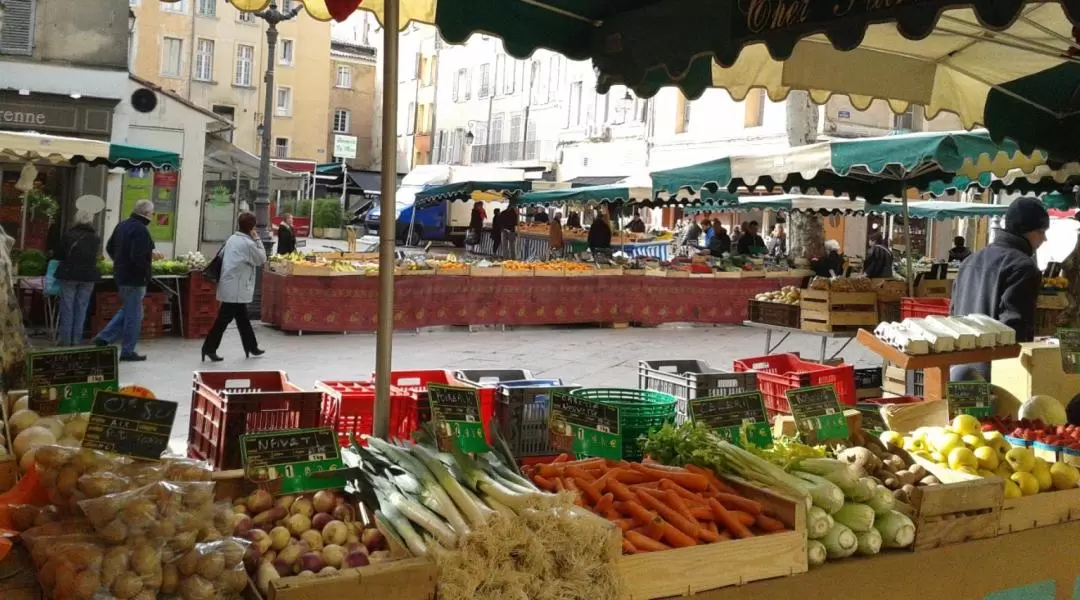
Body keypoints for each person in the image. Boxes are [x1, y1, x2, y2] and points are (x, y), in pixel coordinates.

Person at [950, 197, 1047, 381]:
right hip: (996, 374)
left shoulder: (971, 260)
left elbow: (953, 312)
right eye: (1041, 231)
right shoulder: (1023, 267)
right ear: (1029, 231)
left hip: (959, 368)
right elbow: (1015, 329)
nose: (1044, 238)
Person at [93, 200, 155, 362]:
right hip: (135, 278)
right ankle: (127, 350)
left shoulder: (122, 225)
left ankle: (104, 337)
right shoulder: (140, 230)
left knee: (131, 310)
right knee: (133, 316)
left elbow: (109, 246)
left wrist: (119, 262)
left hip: (121, 275)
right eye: (152, 213)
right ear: (147, 213)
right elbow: (138, 256)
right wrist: (146, 272)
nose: (153, 216)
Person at [201, 211, 268, 362]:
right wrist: (258, 239)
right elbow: (262, 258)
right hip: (236, 287)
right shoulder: (248, 243)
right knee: (223, 320)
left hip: (230, 284)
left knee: (242, 318)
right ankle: (209, 347)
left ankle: (251, 346)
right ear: (252, 227)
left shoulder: (232, 238)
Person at [54, 211, 101, 346]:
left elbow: (59, 255)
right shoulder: (95, 238)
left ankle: (66, 340)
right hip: (88, 276)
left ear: (76, 220)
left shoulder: (68, 235)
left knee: (67, 307)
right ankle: (76, 340)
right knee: (82, 307)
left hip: (69, 274)